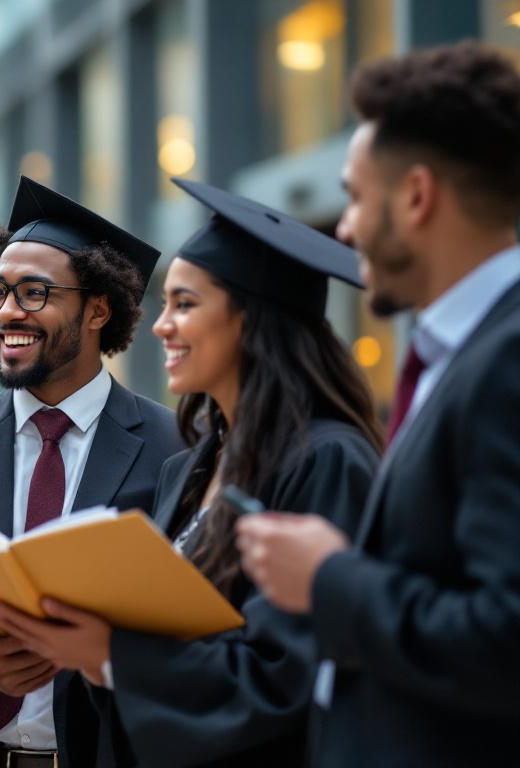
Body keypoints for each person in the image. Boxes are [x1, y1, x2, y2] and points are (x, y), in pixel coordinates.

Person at [0, 179, 382, 767]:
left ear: (254, 319)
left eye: (186, 304)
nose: (160, 325)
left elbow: (289, 678)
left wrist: (112, 654)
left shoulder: (325, 462)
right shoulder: (192, 467)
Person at [236, 41, 520, 766]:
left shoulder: (505, 360)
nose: (345, 227)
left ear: (418, 195)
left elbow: (504, 633)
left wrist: (329, 578)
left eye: (357, 197)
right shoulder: (460, 351)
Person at [0, 176, 185, 768]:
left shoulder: (173, 448)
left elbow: (188, 632)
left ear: (98, 308)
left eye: (33, 293)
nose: (5, 313)